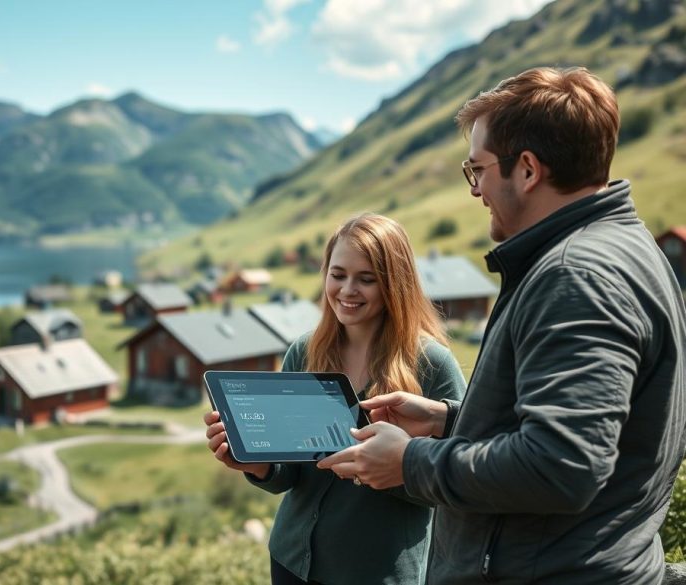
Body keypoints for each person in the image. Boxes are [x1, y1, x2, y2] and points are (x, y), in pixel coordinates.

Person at [318, 67, 686, 584]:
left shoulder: (575, 276)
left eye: (478, 170)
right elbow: (573, 425)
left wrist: (413, 461)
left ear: (528, 170)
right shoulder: (627, 247)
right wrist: (448, 421)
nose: (476, 190)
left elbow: (562, 465)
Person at [204, 212, 466, 584]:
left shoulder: (432, 364)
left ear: (396, 284)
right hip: (293, 561)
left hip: (377, 572)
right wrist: (252, 462)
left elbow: (456, 483)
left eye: (366, 279)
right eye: (338, 274)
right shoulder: (304, 352)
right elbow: (288, 473)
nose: (347, 290)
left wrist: (385, 470)